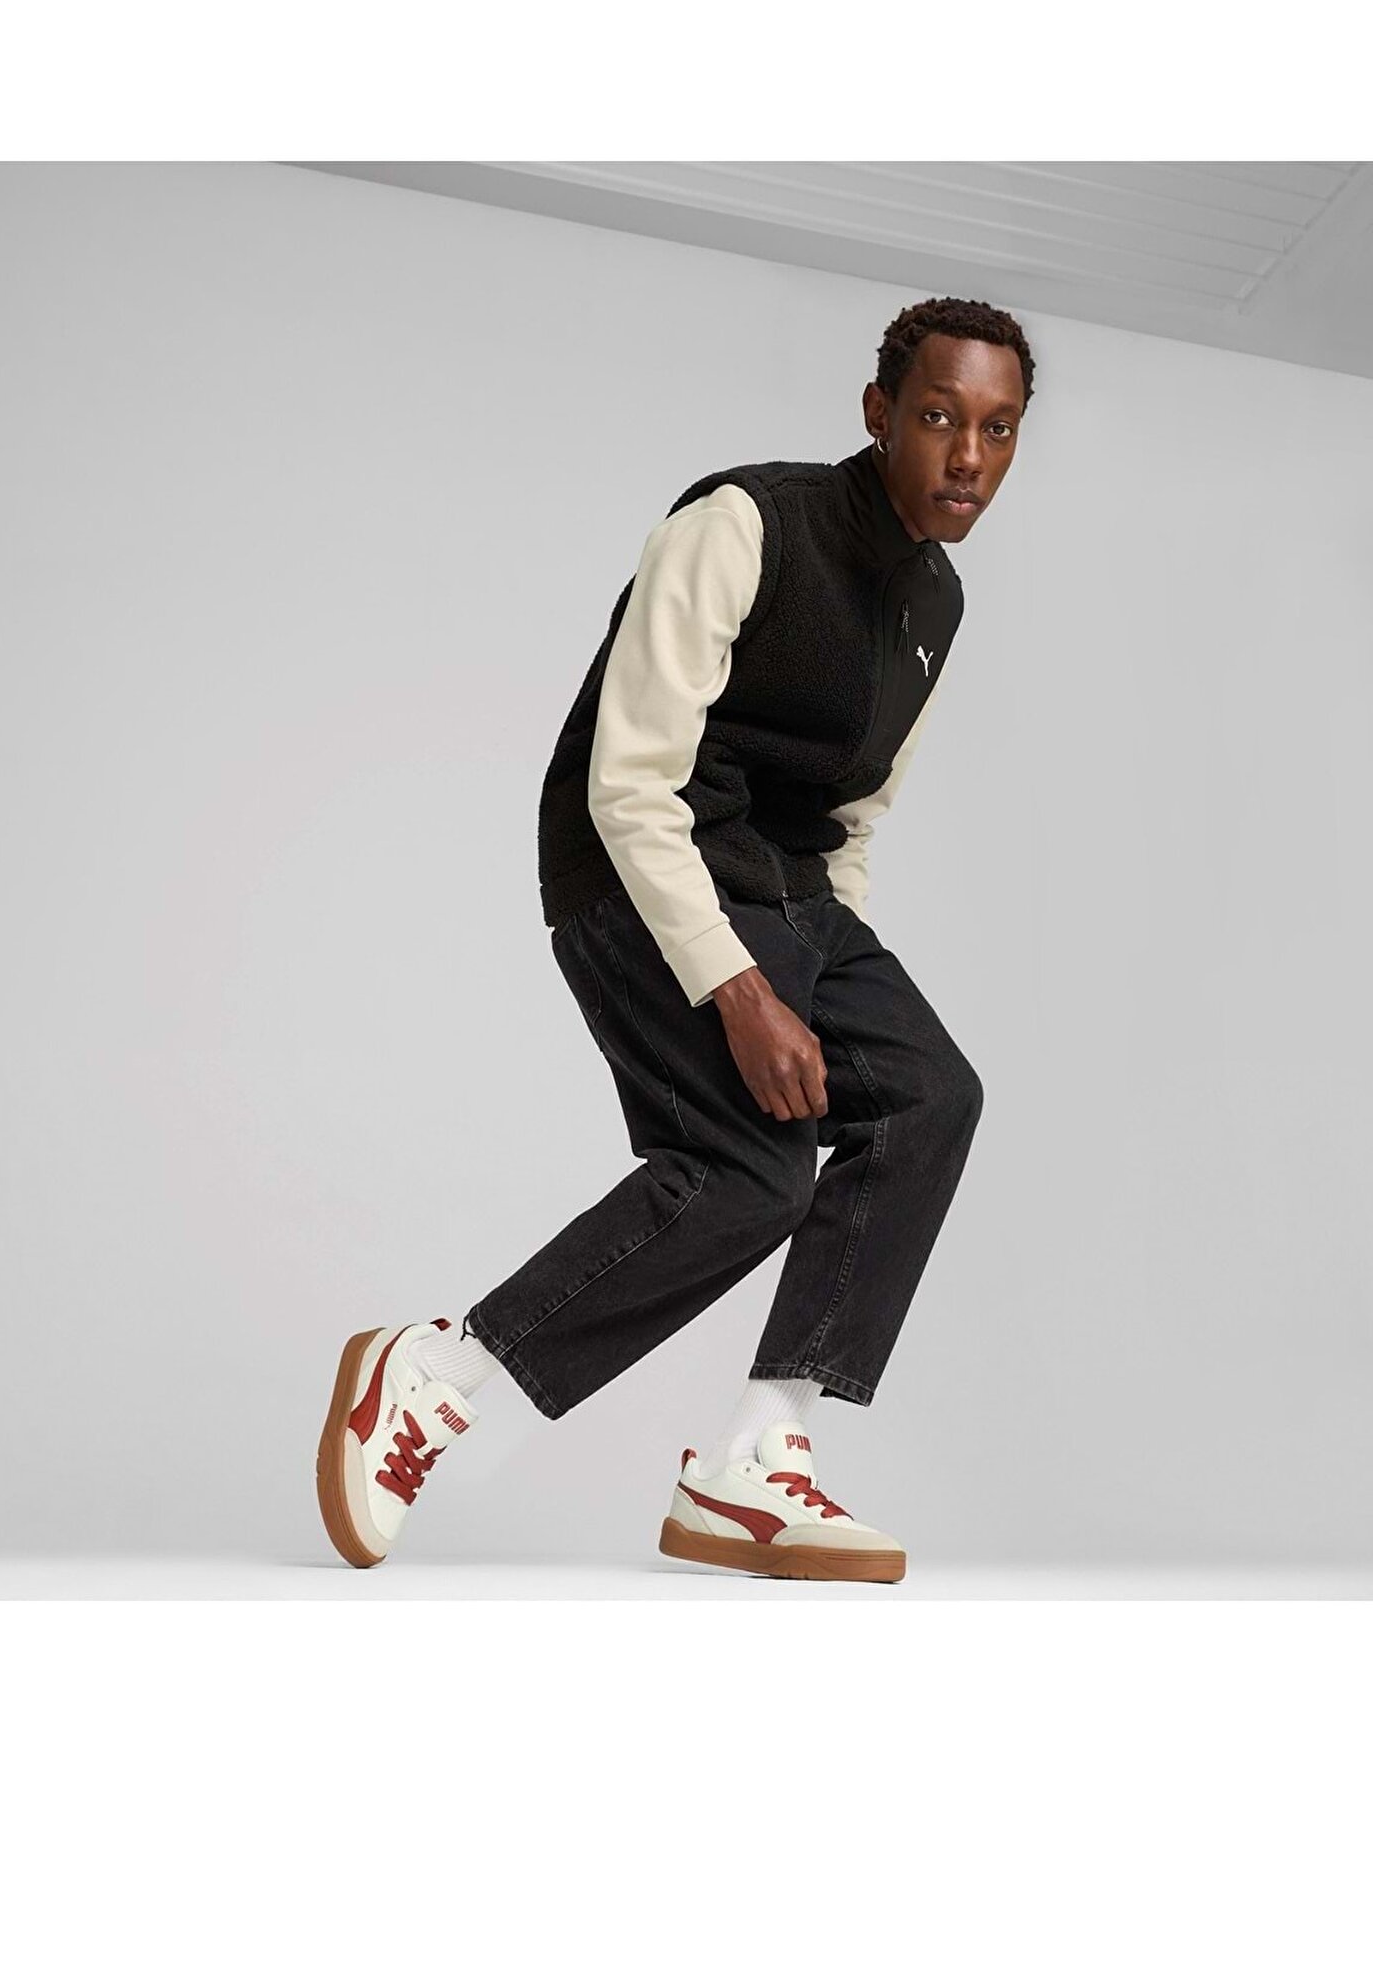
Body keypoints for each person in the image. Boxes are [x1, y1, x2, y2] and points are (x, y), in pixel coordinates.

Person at [316, 295, 1034, 1582]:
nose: (968, 457)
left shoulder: (939, 601)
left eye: (998, 429)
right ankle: (433, 1373)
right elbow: (628, 782)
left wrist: (834, 982)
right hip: (634, 869)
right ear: (879, 414)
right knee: (752, 1174)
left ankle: (757, 1454)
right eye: (939, 418)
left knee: (929, 1094)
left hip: (790, 892)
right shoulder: (746, 525)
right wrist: (743, 989)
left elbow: (854, 816)